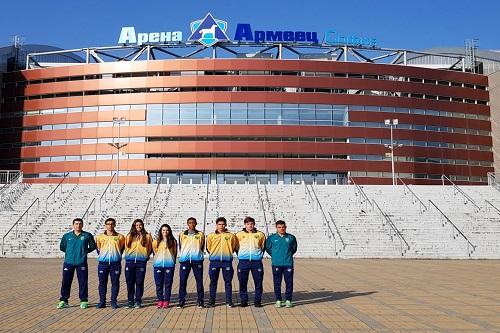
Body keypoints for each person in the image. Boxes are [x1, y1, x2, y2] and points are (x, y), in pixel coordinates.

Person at [57, 218, 96, 309]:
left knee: (83, 282)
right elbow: (62, 247)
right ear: (73, 225)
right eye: (76, 224)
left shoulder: (87, 235)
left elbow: (93, 246)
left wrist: (84, 251)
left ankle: (84, 300)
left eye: (80, 224)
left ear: (82, 225)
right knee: (66, 282)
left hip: (81, 263)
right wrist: (70, 253)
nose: (78, 225)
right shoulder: (67, 236)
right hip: (68, 262)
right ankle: (64, 300)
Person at [206, 217, 239, 307]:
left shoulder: (231, 236)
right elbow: (209, 248)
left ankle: (229, 301)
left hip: (226, 262)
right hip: (214, 262)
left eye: (223, 224)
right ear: (216, 225)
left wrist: (227, 254)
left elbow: (233, 247)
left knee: (228, 282)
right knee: (213, 282)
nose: (221, 226)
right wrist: (214, 254)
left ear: (226, 225)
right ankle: (212, 301)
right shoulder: (211, 236)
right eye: (219, 224)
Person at [265, 220, 298, 308]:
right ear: (276, 228)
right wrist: (275, 255)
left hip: (288, 263)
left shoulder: (291, 237)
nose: (281, 229)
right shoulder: (271, 238)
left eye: (283, 227)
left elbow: (294, 249)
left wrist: (287, 255)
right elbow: (268, 248)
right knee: (277, 282)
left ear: (285, 227)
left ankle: (288, 300)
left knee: (289, 282)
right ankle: (278, 300)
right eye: (279, 227)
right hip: (276, 263)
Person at [95, 217, 125, 309]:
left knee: (115, 282)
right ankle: (102, 301)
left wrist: (116, 256)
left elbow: (122, 248)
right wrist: (103, 257)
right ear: (105, 225)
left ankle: (113, 301)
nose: (110, 226)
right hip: (103, 263)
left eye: (112, 224)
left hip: (115, 263)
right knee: (102, 282)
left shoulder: (120, 237)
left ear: (115, 225)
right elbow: (98, 249)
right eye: (108, 224)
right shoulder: (100, 237)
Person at [235, 216, 266, 307]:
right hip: (243, 262)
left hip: (256, 262)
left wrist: (258, 255)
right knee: (243, 282)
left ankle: (257, 301)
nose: (250, 226)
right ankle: (244, 301)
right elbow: (236, 247)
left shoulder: (260, 234)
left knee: (258, 282)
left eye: (251, 224)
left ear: (254, 224)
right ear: (245, 225)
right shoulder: (239, 234)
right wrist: (241, 255)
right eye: (248, 224)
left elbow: (263, 247)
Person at [124, 219, 153, 309]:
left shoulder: (147, 236)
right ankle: (130, 301)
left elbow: (151, 248)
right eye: (136, 225)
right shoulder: (129, 236)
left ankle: (138, 300)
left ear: (142, 225)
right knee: (129, 282)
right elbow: (125, 247)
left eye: (140, 225)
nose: (138, 227)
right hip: (130, 262)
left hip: (141, 262)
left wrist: (146, 256)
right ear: (134, 226)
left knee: (139, 282)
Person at [177, 217, 205, 308]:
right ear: (187, 224)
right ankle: (181, 301)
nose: (191, 224)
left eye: (193, 222)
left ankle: (200, 300)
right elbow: (181, 246)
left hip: (197, 261)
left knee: (199, 281)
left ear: (196, 224)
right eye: (190, 222)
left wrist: (197, 254)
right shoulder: (182, 234)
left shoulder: (200, 234)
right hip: (185, 261)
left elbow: (202, 247)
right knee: (183, 281)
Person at [152, 223, 177, 309]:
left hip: (169, 265)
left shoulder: (173, 241)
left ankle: (166, 301)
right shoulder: (156, 242)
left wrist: (172, 262)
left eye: (167, 230)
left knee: (168, 283)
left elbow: (174, 252)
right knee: (158, 284)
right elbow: (155, 252)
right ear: (161, 232)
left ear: (169, 231)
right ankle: (160, 300)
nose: (165, 232)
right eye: (163, 230)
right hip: (158, 265)